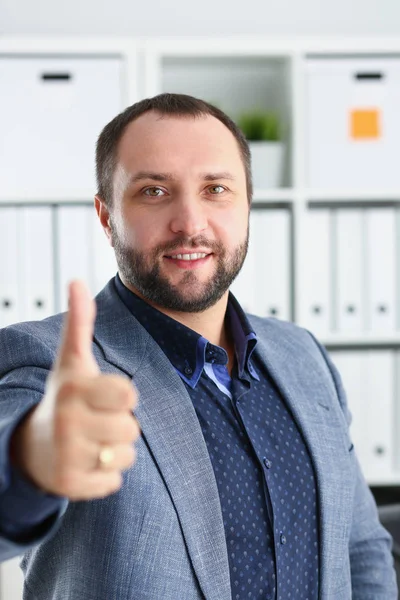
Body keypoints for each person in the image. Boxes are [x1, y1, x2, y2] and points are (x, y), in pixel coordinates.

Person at [0, 92, 396, 600]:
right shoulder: (45, 361)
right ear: (105, 216)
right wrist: (31, 460)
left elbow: (359, 549)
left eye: (215, 189)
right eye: (153, 191)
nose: (190, 221)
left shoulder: (304, 355)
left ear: (248, 203)